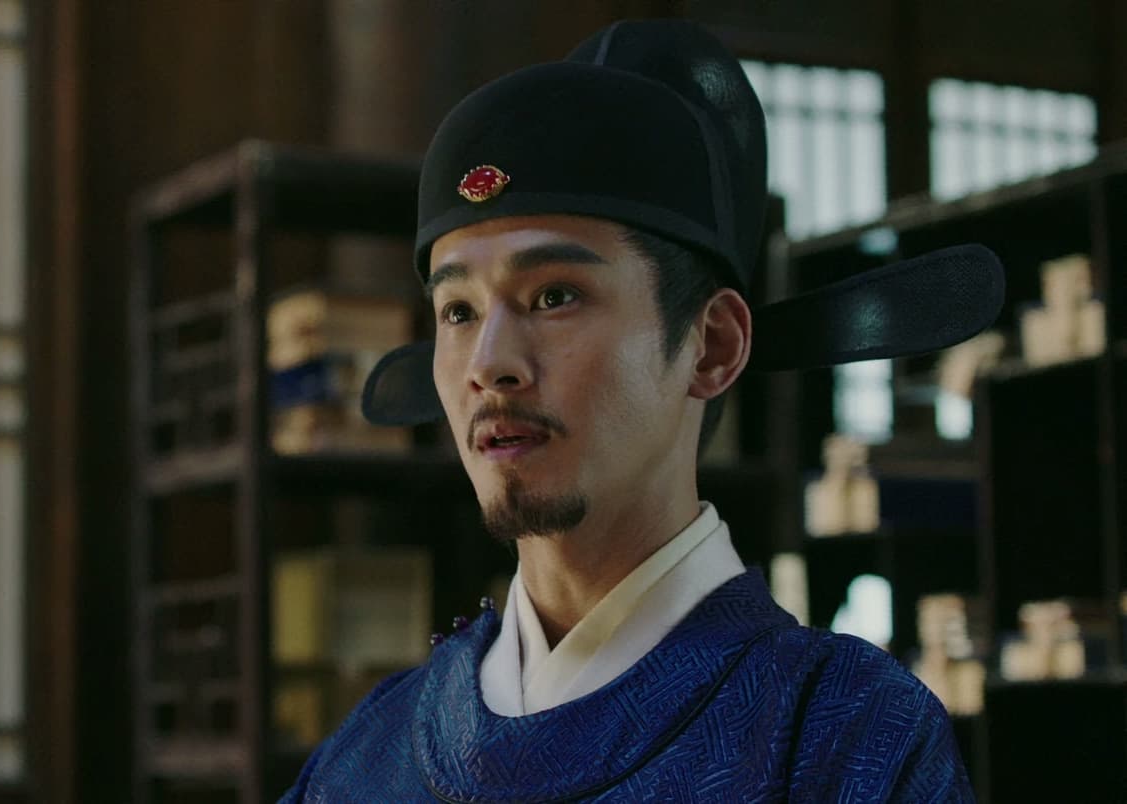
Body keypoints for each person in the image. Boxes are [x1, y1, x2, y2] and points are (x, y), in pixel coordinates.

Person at [281, 19, 1001, 802]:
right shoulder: (369, 753)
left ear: (712, 345)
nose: (489, 364)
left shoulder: (845, 735)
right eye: (458, 311)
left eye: (555, 296)